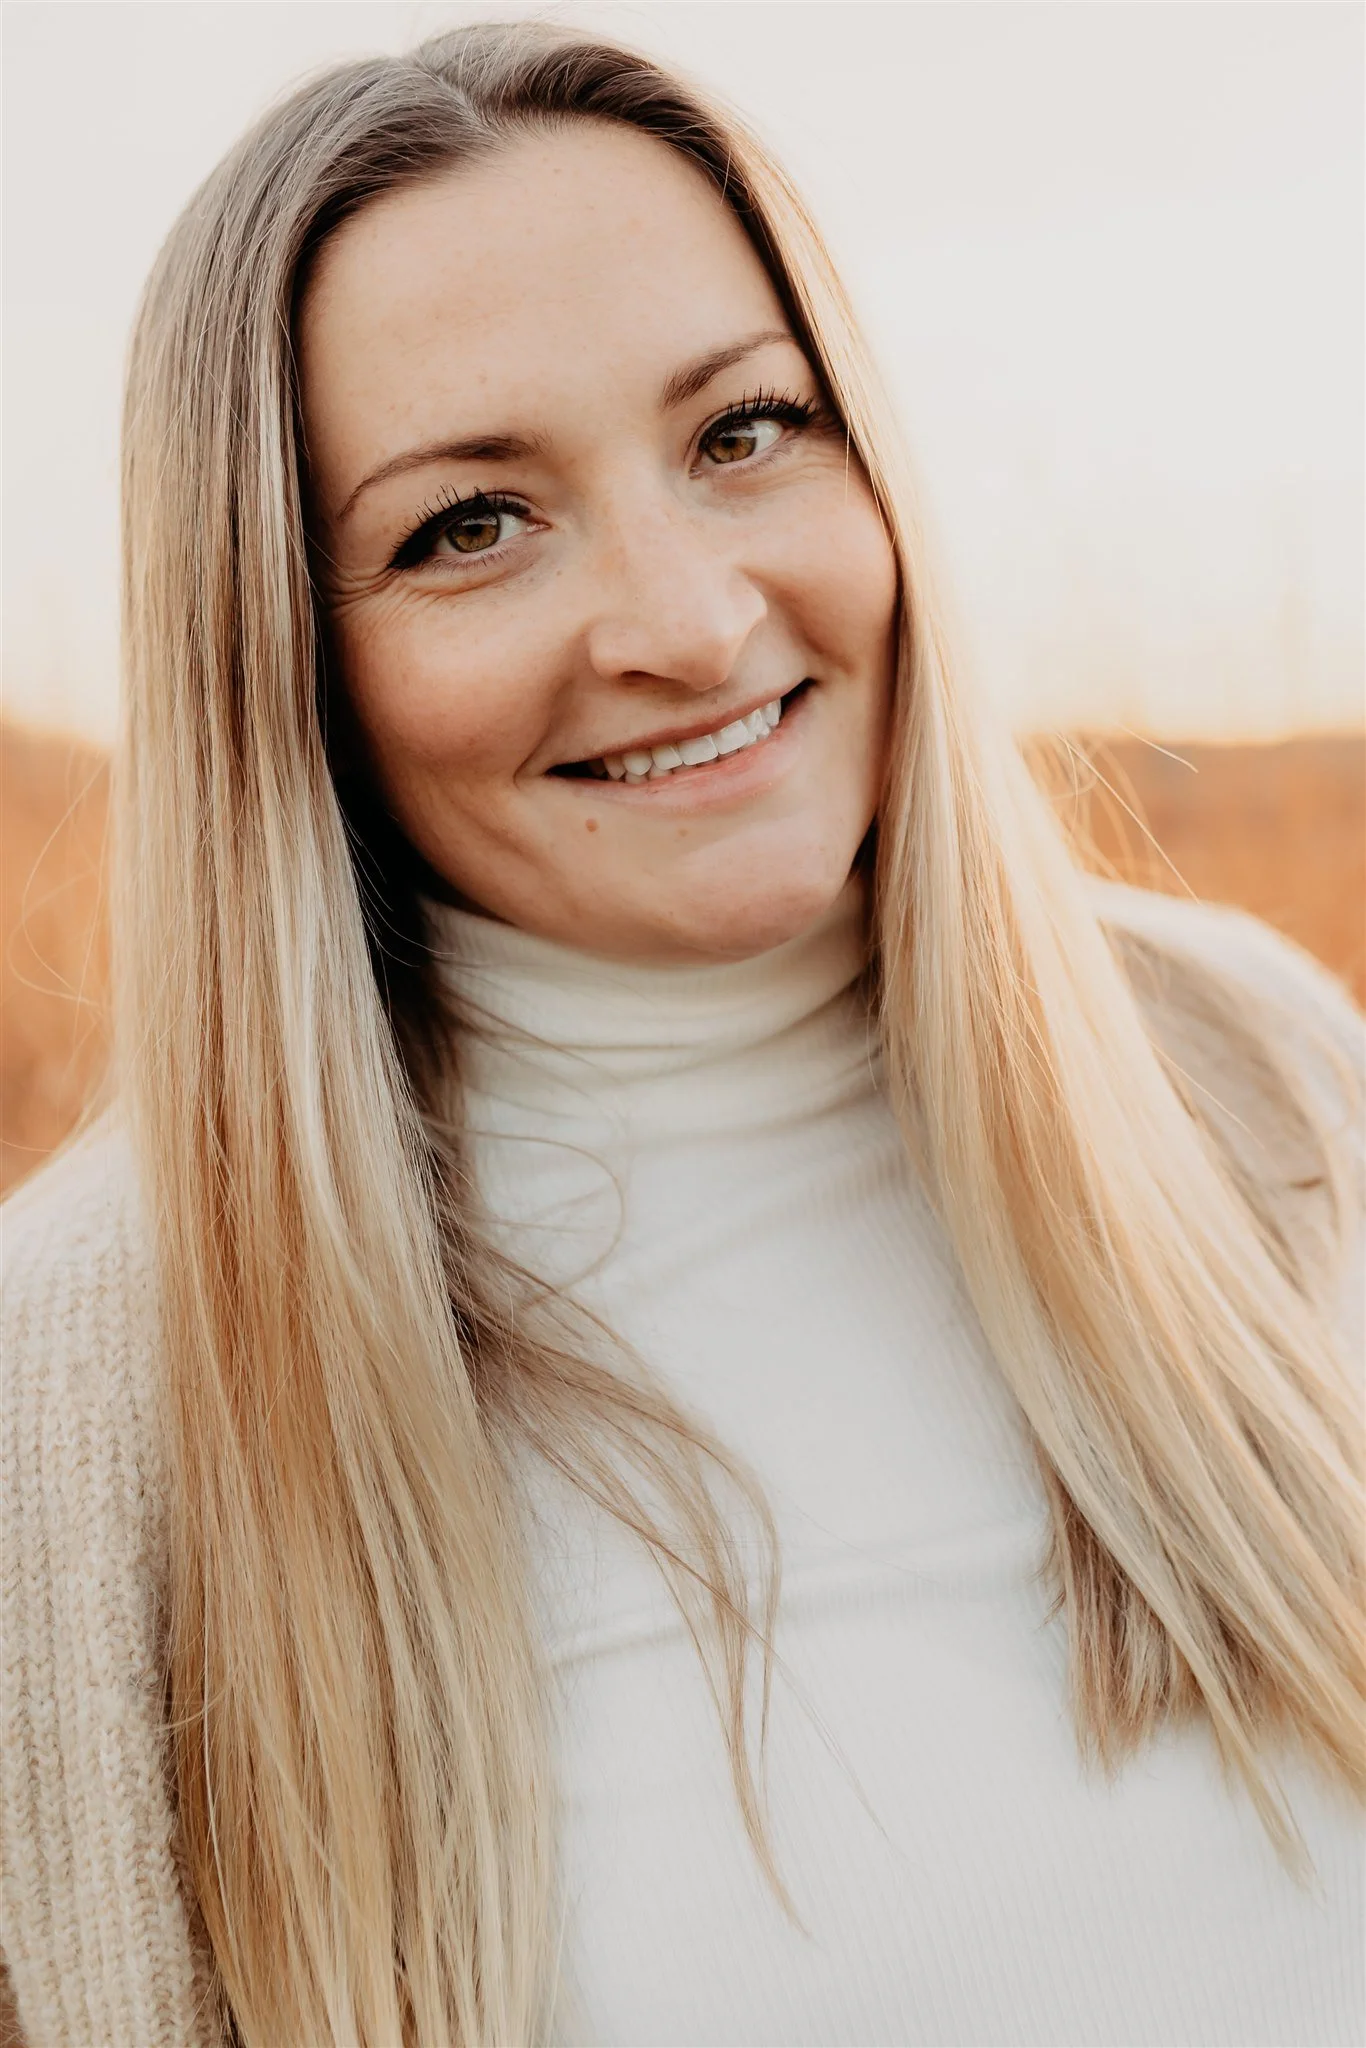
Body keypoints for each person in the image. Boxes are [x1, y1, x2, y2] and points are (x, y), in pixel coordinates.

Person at [2, 22, 1362, 2048]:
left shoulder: (1242, 1069)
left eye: (740, 432)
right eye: (468, 523)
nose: (689, 620)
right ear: (283, 659)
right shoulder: (85, 1374)